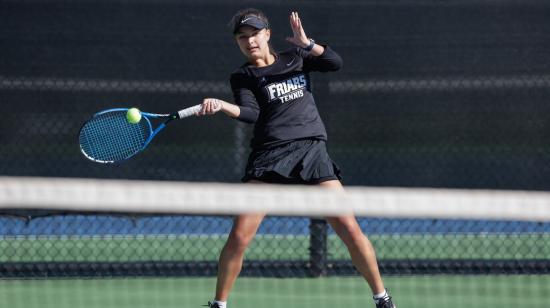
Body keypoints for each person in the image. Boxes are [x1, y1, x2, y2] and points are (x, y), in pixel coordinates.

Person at [197, 8, 396, 308]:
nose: (249, 41)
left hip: (311, 152)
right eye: (242, 38)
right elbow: (251, 114)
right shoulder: (243, 76)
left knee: (350, 229)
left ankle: (382, 299)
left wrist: (308, 43)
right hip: (269, 157)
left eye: (254, 35)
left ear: (267, 34)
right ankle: (219, 304)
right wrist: (224, 106)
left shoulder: (296, 58)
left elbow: (334, 63)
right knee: (239, 237)